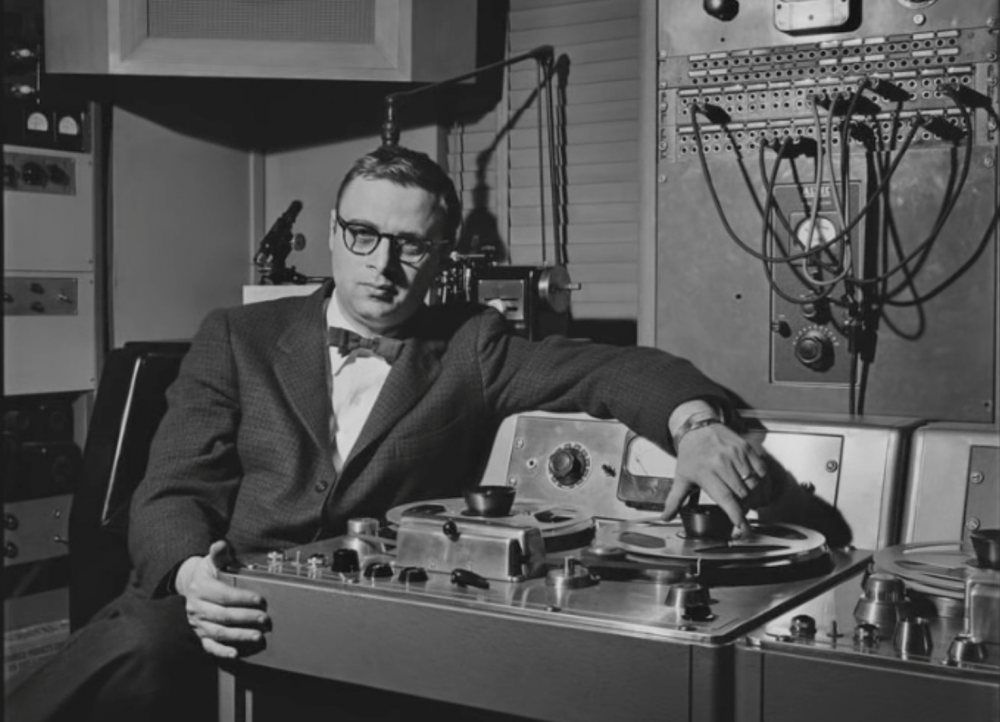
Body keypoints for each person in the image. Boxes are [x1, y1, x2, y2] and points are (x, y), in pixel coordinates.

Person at [6, 145, 765, 721]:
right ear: (334, 234)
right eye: (363, 235)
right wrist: (190, 574)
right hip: (230, 584)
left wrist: (695, 424)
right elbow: (173, 486)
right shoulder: (238, 335)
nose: (383, 265)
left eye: (412, 245)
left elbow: (615, 372)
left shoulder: (474, 345)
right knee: (128, 648)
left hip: (378, 609)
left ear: (441, 257)